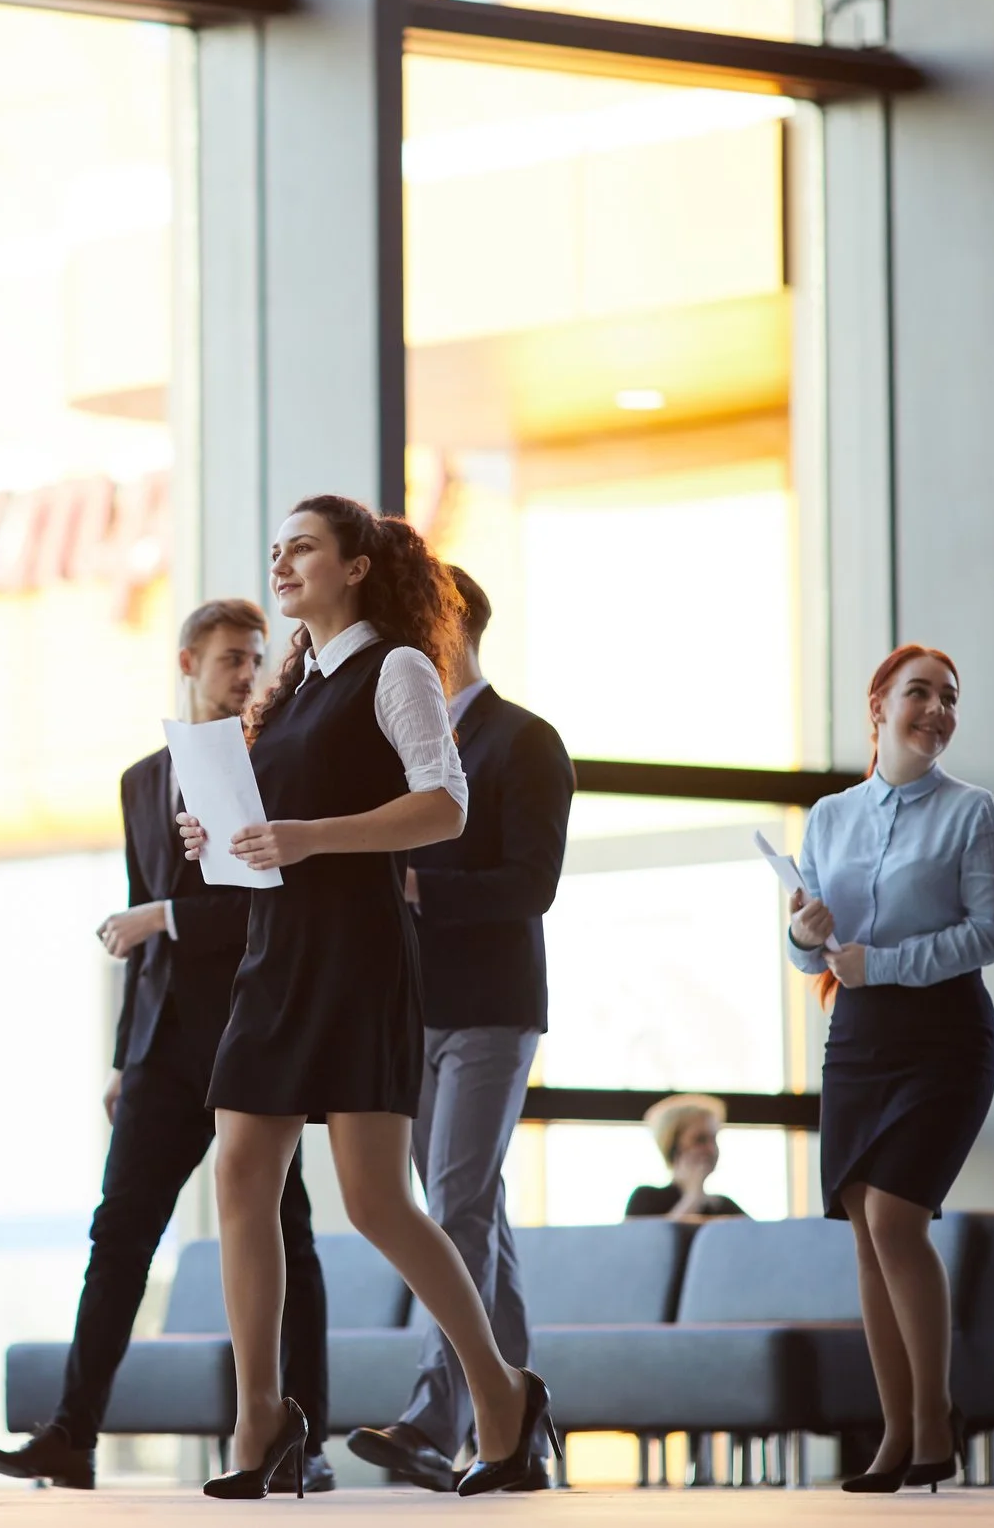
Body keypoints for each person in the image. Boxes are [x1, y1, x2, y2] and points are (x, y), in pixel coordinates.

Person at [178, 495, 546, 1499]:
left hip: (359, 951)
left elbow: (443, 800)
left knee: (379, 1196)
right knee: (241, 1174)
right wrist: (224, 837)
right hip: (277, 947)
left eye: (302, 547)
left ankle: (499, 1392)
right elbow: (279, 821)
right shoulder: (287, 686)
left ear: (354, 567)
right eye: (277, 549)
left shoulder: (397, 668)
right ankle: (262, 1417)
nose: (282, 562)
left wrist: (307, 835)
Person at [0, 601, 335, 1494]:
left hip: (254, 1039)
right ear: (188, 661)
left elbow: (264, 904)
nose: (246, 673)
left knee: (288, 1235)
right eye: (230, 659)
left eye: (256, 658)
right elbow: (142, 940)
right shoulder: (143, 781)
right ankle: (72, 1431)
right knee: (119, 1232)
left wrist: (163, 916)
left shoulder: (269, 768)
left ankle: (308, 1438)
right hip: (161, 1050)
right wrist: (119, 1058)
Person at [348, 569, 573, 1492]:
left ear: (454, 628)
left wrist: (415, 889)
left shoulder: (523, 739)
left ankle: (434, 1417)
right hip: (416, 1008)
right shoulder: (407, 734)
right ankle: (522, 1424)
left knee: (457, 1208)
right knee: (481, 1217)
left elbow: (533, 884)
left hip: (490, 1008)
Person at [785, 644, 994, 1493]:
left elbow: (991, 933)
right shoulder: (830, 815)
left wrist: (879, 962)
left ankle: (933, 1421)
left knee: (893, 1219)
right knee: (866, 1237)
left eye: (950, 698)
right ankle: (897, 1432)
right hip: (858, 1039)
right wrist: (805, 932)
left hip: (945, 1038)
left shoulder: (973, 812)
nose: (938, 710)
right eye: (920, 692)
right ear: (878, 701)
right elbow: (804, 936)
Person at [623, 1094, 747, 1221]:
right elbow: (651, 1240)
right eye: (700, 1140)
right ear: (673, 1148)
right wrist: (692, 1199)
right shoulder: (646, 1199)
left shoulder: (724, 1206)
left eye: (713, 1139)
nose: (711, 1149)